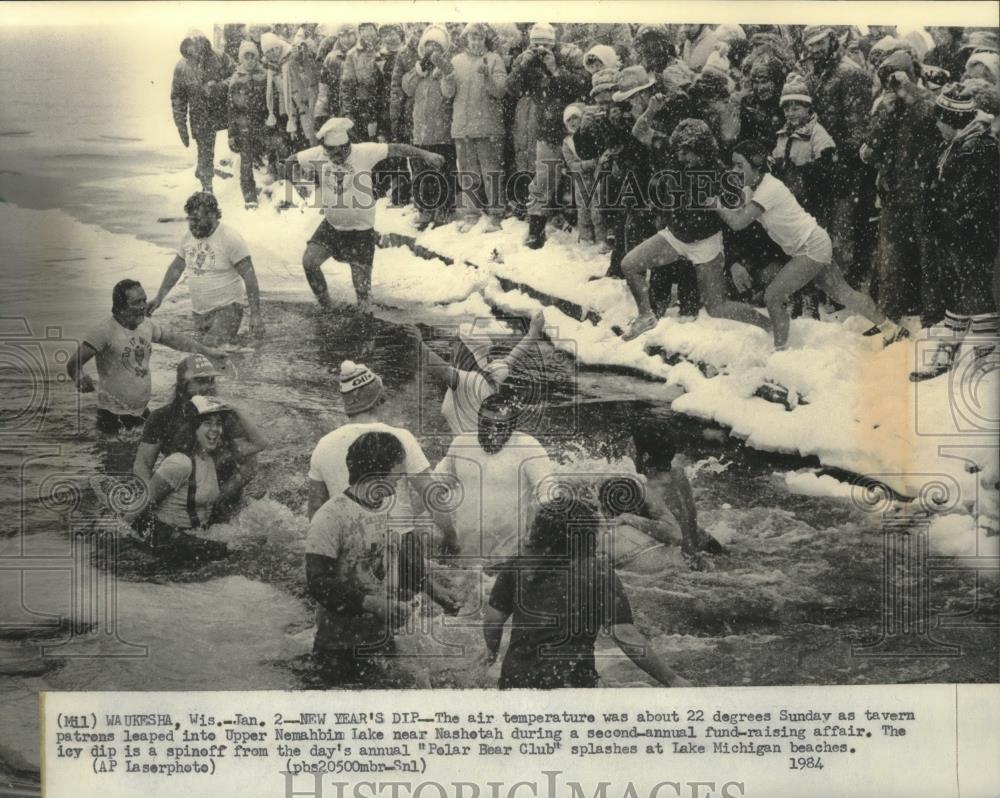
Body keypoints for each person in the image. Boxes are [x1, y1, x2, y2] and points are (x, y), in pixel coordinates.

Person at [716, 139, 905, 350]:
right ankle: (891, 329)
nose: (734, 171)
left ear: (756, 166)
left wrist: (712, 202)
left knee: (773, 296)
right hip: (814, 242)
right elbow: (733, 206)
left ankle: (781, 352)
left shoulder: (768, 189)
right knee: (843, 294)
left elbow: (737, 222)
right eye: (733, 165)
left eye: (739, 165)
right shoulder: (754, 187)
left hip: (810, 247)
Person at [482, 500, 691, 688]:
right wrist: (671, 679)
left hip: (515, 679)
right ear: (586, 535)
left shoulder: (517, 566)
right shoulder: (598, 571)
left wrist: (491, 655)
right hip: (572, 682)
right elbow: (624, 634)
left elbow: (493, 620)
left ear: (539, 532)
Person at [305, 431, 458, 687]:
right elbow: (318, 582)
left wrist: (434, 590)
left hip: (380, 639)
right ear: (379, 470)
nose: (401, 478)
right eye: (398, 471)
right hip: (339, 648)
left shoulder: (383, 508)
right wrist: (373, 604)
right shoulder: (331, 516)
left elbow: (394, 560)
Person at [621, 119, 771, 341]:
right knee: (629, 265)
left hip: (706, 242)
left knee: (717, 307)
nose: (681, 158)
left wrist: (735, 261)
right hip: (675, 235)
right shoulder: (671, 154)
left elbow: (735, 225)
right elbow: (639, 130)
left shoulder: (721, 175)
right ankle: (646, 315)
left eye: (687, 153)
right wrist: (652, 110)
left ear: (702, 150)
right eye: (679, 152)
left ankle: (769, 324)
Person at [287, 117, 446, 312]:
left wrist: (426, 155)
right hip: (332, 226)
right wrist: (296, 184)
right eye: (330, 154)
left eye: (338, 154)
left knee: (362, 293)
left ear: (346, 147)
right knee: (309, 262)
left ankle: (365, 322)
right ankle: (326, 306)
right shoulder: (319, 154)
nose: (334, 159)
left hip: (360, 232)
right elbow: (291, 161)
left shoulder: (364, 151)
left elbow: (397, 148)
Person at [910, 84, 1000, 381]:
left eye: (940, 120)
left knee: (976, 291)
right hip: (952, 233)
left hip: (973, 235)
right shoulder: (953, 144)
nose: (937, 125)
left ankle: (987, 355)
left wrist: (962, 224)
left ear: (953, 120)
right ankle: (949, 348)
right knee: (955, 289)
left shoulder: (982, 147)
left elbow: (984, 198)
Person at [66, 280, 225, 435]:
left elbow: (174, 339)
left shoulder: (146, 325)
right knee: (117, 459)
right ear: (120, 307)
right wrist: (79, 377)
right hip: (112, 415)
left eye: (144, 300)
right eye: (136, 302)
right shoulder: (104, 332)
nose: (143, 307)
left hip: (141, 412)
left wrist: (209, 352)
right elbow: (74, 363)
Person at [307, 361, 439, 541]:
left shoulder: (323, 445)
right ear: (378, 398)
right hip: (398, 544)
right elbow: (432, 496)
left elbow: (316, 509)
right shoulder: (401, 437)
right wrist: (452, 540)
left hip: (349, 544)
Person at [133, 354, 267, 523]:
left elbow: (251, 465)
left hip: (223, 490)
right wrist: (149, 500)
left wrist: (221, 497)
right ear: (182, 383)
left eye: (211, 381)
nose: (208, 387)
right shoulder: (161, 417)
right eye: (200, 381)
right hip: (182, 489)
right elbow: (143, 464)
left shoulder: (224, 417)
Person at [860, 61, 940, 326]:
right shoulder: (884, 105)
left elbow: (933, 122)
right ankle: (889, 318)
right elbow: (869, 148)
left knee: (928, 261)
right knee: (889, 261)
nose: (892, 84)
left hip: (923, 194)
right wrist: (886, 111)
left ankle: (931, 320)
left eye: (898, 78)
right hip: (893, 193)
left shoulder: (930, 99)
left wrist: (911, 95)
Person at [434, 394, 553, 561]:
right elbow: (432, 488)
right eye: (486, 424)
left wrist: (533, 543)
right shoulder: (462, 444)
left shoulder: (529, 447)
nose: (491, 433)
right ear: (478, 421)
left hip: (508, 557)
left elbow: (548, 498)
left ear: (512, 428)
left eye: (500, 426)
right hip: (464, 552)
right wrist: (446, 532)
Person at [800, 25, 874, 290]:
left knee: (844, 230)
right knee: (820, 229)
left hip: (844, 165)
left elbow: (859, 128)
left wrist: (841, 160)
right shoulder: (815, 74)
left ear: (832, 41)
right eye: (811, 45)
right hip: (820, 163)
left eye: (820, 44)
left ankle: (843, 289)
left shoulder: (850, 73)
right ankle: (824, 285)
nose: (815, 50)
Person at [507, 22, 590, 249]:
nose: (541, 49)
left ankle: (584, 229)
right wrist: (522, 66)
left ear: (553, 43)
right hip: (547, 128)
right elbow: (512, 89)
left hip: (573, 128)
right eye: (536, 44)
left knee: (579, 178)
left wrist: (555, 69)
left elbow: (583, 85)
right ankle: (536, 229)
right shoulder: (527, 60)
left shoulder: (569, 55)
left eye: (545, 44)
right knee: (543, 178)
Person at [121, 395, 232, 561]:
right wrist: (119, 537)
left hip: (194, 537)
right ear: (194, 428)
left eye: (218, 423)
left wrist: (235, 409)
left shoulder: (210, 459)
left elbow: (258, 444)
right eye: (207, 423)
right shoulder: (180, 463)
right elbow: (139, 507)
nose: (215, 429)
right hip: (165, 542)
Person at [147, 192, 264, 345]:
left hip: (228, 308)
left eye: (197, 220)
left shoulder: (230, 238)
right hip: (199, 312)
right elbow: (176, 268)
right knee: (202, 349)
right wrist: (159, 297)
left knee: (211, 345)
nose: (193, 226)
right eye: (190, 220)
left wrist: (255, 314)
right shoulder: (188, 237)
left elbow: (250, 277)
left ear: (212, 216)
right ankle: (240, 346)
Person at [406, 309, 546, 435]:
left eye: (455, 342)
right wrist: (533, 333)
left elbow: (440, 369)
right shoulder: (491, 372)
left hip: (469, 454)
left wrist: (419, 343)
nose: (450, 345)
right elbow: (512, 357)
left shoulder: (467, 381)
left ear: (465, 349)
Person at [439, 23, 509, 233]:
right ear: (466, 39)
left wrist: (487, 76)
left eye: (479, 38)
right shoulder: (456, 61)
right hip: (463, 127)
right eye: (472, 38)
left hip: (488, 127)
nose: (476, 41)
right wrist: (447, 77)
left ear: (484, 40)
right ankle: (472, 213)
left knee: (491, 172)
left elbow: (500, 91)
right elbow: (447, 93)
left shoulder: (495, 59)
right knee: (468, 173)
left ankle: (496, 213)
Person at [401, 24, 456, 231]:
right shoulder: (417, 70)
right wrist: (418, 71)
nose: (432, 49)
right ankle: (424, 208)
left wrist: (444, 72)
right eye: (428, 45)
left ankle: (444, 208)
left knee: (442, 172)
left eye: (436, 45)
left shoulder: (446, 69)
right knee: (421, 173)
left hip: (441, 133)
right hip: (420, 133)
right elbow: (407, 88)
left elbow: (449, 92)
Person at [171, 29, 234, 193]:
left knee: (239, 139)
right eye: (191, 45)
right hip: (200, 115)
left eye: (198, 44)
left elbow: (236, 76)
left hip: (223, 110)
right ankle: (207, 187)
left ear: (204, 43)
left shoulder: (220, 58)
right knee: (205, 153)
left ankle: (244, 170)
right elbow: (178, 98)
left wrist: (219, 87)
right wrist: (181, 127)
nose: (195, 49)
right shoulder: (181, 68)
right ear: (186, 46)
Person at [227, 41, 269, 209]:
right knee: (246, 160)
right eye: (246, 57)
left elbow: (271, 100)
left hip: (263, 123)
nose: (250, 61)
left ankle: (275, 184)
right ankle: (249, 196)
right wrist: (232, 133)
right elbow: (231, 109)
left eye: (253, 57)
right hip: (244, 126)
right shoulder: (236, 79)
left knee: (271, 153)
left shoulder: (265, 76)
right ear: (241, 59)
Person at [314, 24, 357, 125]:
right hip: (337, 109)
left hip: (359, 108)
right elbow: (324, 86)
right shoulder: (331, 58)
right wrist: (320, 112)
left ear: (356, 35)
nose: (346, 39)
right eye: (342, 36)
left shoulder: (363, 55)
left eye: (349, 35)